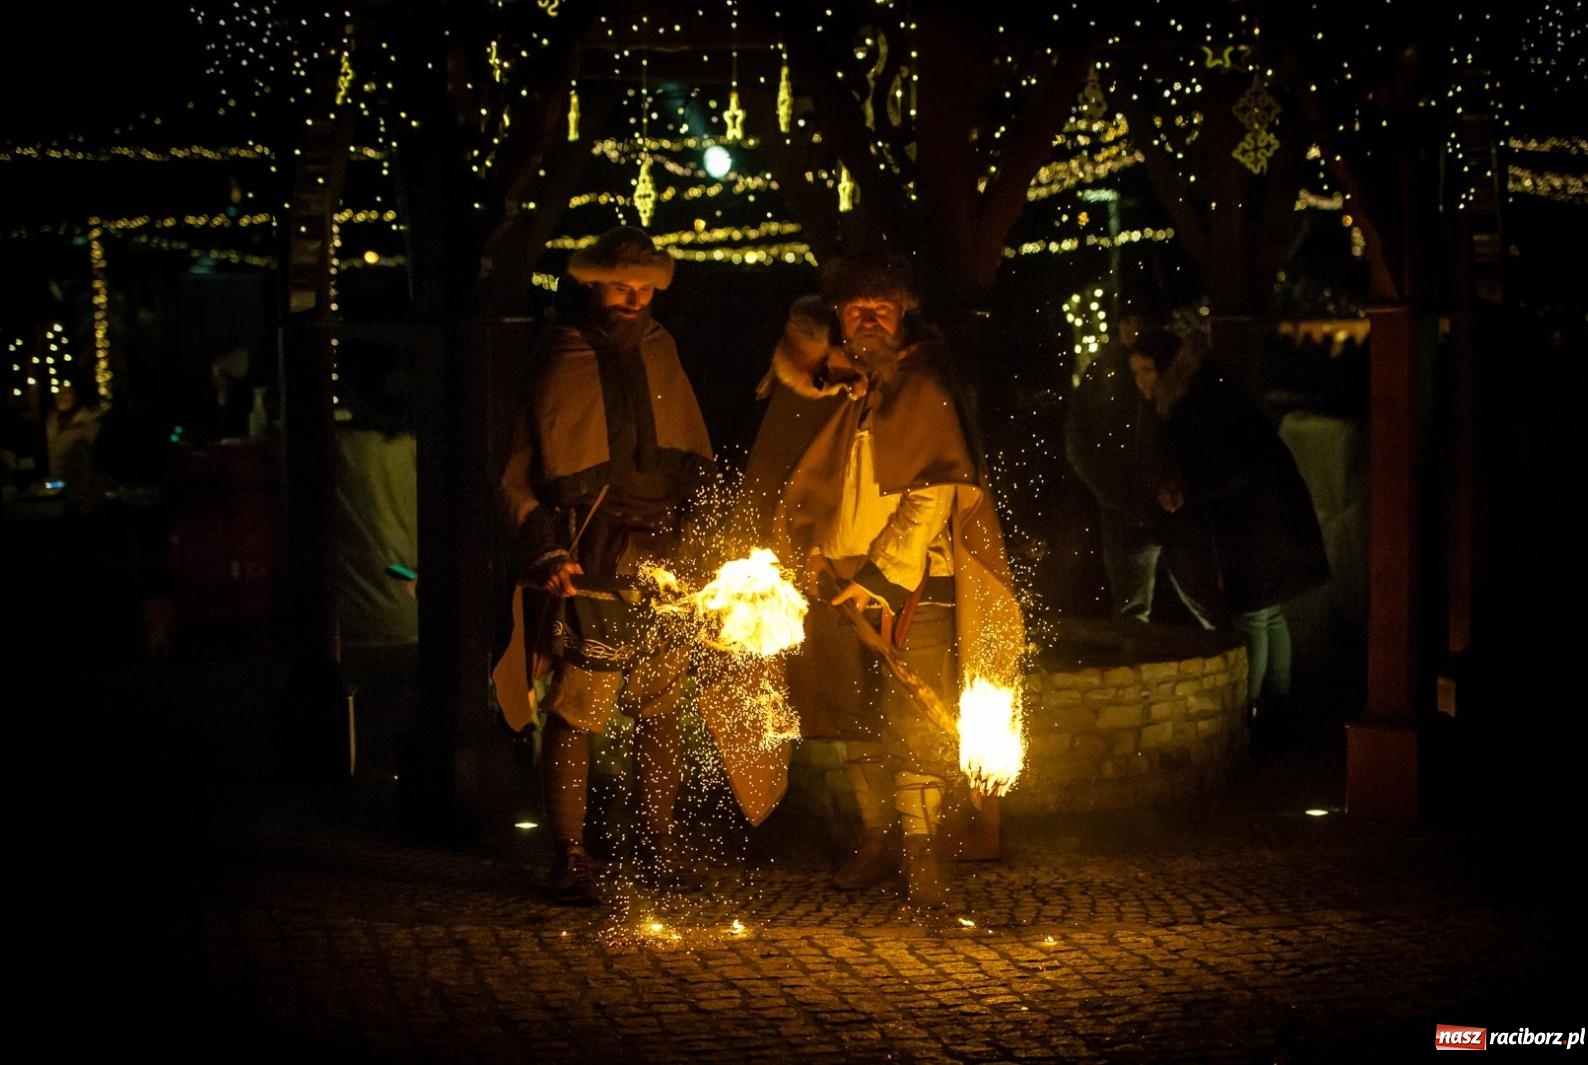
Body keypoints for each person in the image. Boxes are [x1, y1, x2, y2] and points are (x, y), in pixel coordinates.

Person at [736, 251, 1024, 907]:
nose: (869, 318)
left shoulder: (923, 381)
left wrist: (882, 573)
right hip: (834, 581)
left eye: (883, 307)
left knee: (915, 721)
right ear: (838, 314)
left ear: (903, 314)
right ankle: (876, 836)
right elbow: (796, 482)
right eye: (858, 308)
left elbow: (934, 492)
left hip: (913, 583)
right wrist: (802, 547)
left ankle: (922, 853)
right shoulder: (823, 382)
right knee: (852, 718)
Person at [494, 226, 714, 905]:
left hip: (661, 556)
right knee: (579, 706)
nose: (636, 298)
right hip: (586, 553)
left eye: (646, 288)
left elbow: (692, 460)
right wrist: (545, 549)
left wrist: (703, 539)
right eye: (623, 286)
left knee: (661, 704)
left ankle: (657, 843)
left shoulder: (660, 348)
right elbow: (519, 472)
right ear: (592, 283)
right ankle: (570, 852)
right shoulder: (558, 353)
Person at [1127, 328, 1330, 742]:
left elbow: (1232, 466)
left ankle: (1248, 717)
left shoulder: (1197, 403)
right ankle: (1276, 711)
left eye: (1147, 370)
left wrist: (1185, 490)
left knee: (1253, 616)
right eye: (1136, 372)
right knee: (1267, 613)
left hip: (1258, 519)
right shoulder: (1195, 394)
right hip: (1265, 516)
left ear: (1168, 368)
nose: (1141, 380)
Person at [1065, 293, 1222, 628]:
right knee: (1132, 613)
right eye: (1127, 320)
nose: (1134, 328)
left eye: (1141, 320)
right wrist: (1117, 495)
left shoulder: (1177, 370)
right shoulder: (1102, 375)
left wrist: (1180, 485)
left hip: (1179, 510)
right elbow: (1079, 443)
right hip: (1126, 511)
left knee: (1210, 607)